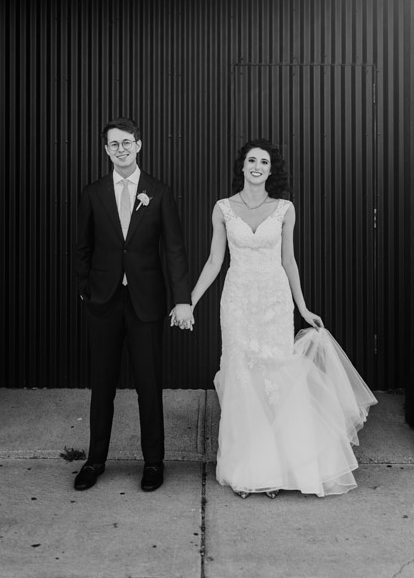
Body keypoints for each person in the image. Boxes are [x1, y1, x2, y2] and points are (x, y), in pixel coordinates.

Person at [184, 138, 377, 498]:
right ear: (242, 167)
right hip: (238, 301)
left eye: (265, 162)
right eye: (252, 160)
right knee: (242, 379)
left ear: (271, 171)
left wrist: (303, 308)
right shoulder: (223, 209)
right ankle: (246, 471)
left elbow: (289, 261)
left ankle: (276, 470)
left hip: (275, 302)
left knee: (275, 383)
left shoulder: (284, 209)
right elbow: (214, 261)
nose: (257, 166)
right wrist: (190, 301)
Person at [74, 117, 194, 492]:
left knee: (148, 384)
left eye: (127, 143)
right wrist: (85, 291)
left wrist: (181, 299)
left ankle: (154, 464)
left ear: (139, 145)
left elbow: (174, 250)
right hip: (105, 301)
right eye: (114, 144)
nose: (121, 149)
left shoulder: (159, 192)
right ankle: (95, 461)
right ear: (106, 150)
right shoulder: (93, 193)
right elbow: (83, 247)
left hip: (146, 303)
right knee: (102, 385)